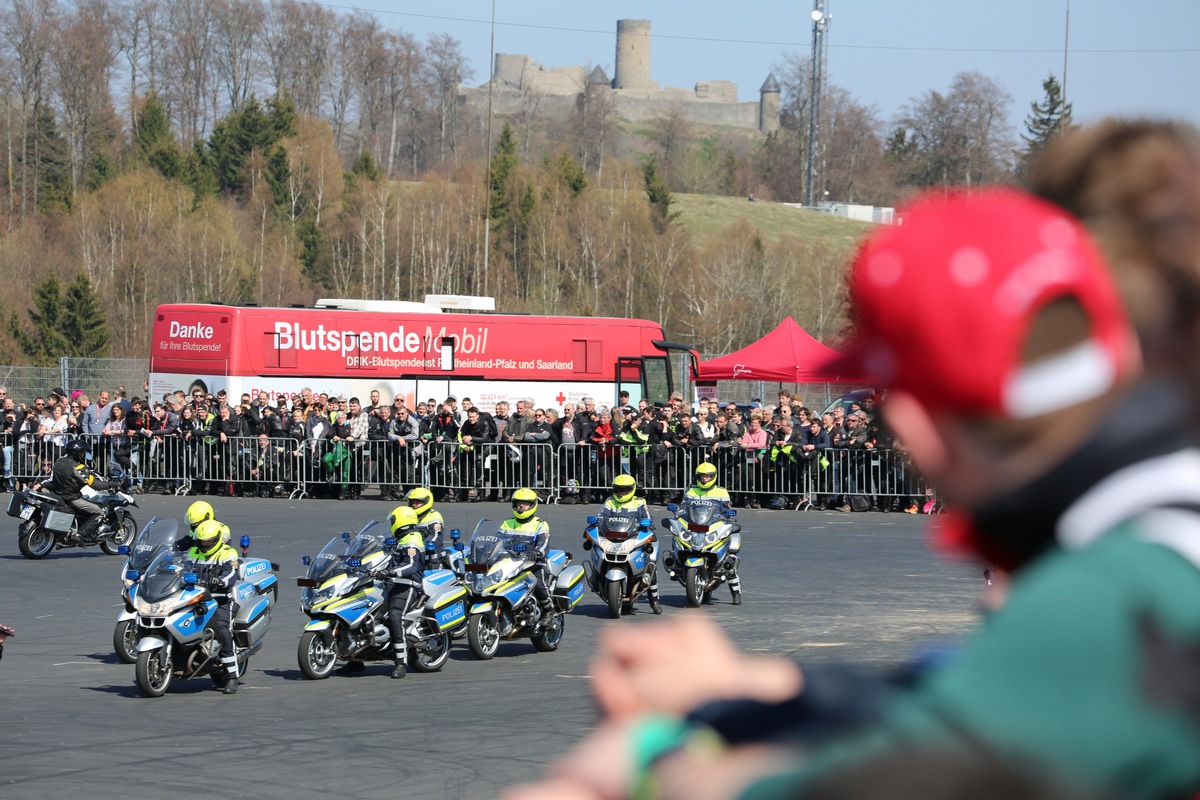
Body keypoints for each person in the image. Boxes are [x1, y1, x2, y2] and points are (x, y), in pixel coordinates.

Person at [504, 188, 1200, 800]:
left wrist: (651, 764)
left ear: (912, 421)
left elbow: (909, 774)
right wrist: (769, 688)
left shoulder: (1118, 587)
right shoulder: (1152, 518)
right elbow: (968, 693)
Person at [186, 519, 240, 694]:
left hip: (221, 599)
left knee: (222, 629)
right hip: (195, 598)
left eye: (209, 541)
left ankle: (232, 676)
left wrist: (219, 581)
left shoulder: (228, 553)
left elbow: (231, 573)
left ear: (217, 539)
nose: (205, 544)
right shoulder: (194, 552)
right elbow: (181, 569)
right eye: (202, 541)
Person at [599, 474, 661, 614]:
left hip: (633, 537)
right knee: (597, 550)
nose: (622, 493)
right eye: (619, 489)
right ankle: (598, 578)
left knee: (650, 563)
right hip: (613, 537)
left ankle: (654, 599)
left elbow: (647, 517)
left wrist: (647, 524)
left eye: (625, 489)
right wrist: (597, 525)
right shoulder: (609, 502)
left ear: (632, 489)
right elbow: (601, 517)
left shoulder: (639, 502)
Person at [684, 461, 741, 604]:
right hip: (697, 525)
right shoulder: (691, 490)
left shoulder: (721, 491)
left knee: (730, 556)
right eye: (702, 476)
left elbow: (727, 510)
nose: (704, 479)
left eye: (708, 477)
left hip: (713, 525)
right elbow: (684, 507)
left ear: (713, 477)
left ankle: (736, 592)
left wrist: (727, 514)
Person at [47, 439, 120, 542]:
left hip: (57, 494)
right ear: (78, 452)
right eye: (83, 452)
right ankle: (80, 535)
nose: (84, 455)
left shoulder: (59, 461)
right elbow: (95, 484)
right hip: (71, 498)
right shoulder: (77, 467)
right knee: (100, 512)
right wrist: (110, 484)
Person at [501, 488, 555, 626]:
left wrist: (537, 552)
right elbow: (497, 540)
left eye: (525, 504)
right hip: (510, 563)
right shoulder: (506, 523)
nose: (521, 507)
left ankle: (549, 610)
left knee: (538, 582)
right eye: (518, 504)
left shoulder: (540, 524)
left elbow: (544, 542)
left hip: (532, 563)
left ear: (532, 505)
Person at [383, 506, 425, 679]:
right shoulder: (400, 539)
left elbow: (411, 566)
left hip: (408, 584)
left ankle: (401, 662)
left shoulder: (413, 539)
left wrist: (392, 572)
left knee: (395, 615)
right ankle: (354, 659)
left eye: (393, 521)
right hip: (391, 583)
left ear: (400, 521)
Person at [405, 486, 445, 552]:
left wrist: (420, 547)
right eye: (412, 502)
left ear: (426, 501)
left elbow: (434, 537)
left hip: (430, 556)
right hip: (411, 552)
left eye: (417, 502)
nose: (414, 505)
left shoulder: (434, 517)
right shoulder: (408, 515)